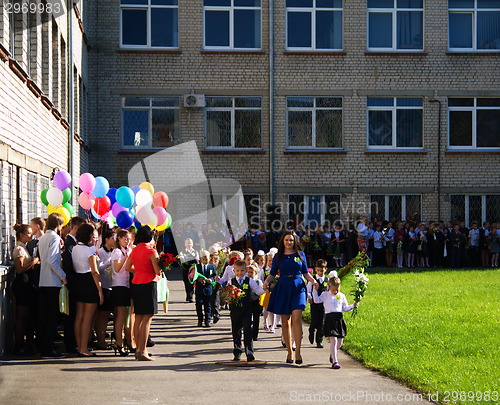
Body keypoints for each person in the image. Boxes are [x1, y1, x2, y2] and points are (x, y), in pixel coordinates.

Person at [262, 230, 318, 365]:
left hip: (298, 286)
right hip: (283, 286)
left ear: (295, 241)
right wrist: (266, 281)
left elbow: (305, 272)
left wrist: (314, 282)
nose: (289, 242)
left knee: (297, 319)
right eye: (286, 240)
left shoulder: (300, 254)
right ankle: (289, 351)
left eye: (291, 240)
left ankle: (298, 351)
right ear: (283, 241)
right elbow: (273, 273)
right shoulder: (278, 256)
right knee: (285, 320)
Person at [125, 226, 163, 361]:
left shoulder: (134, 250)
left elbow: (127, 267)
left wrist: (139, 269)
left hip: (136, 283)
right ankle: (143, 350)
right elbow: (157, 271)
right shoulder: (151, 251)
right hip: (148, 284)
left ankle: (137, 348)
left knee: (138, 317)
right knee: (147, 319)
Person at [37, 213, 67, 357]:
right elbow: (52, 261)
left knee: (44, 316)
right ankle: (47, 348)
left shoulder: (42, 238)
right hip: (52, 281)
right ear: (58, 225)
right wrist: (63, 276)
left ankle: (43, 345)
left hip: (43, 280)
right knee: (51, 317)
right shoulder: (55, 238)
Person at [312, 276, 358, 369]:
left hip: (339, 318)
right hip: (330, 318)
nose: (335, 292)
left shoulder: (341, 296)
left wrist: (353, 305)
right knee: (334, 339)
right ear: (329, 287)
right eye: (333, 290)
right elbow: (317, 300)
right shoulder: (325, 295)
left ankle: (333, 354)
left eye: (337, 289)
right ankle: (335, 361)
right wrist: (314, 291)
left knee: (340, 341)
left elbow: (344, 308)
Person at [72, 223, 103, 357]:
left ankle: (80, 346)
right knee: (87, 318)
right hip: (89, 282)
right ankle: (84, 348)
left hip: (78, 281)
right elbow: (95, 272)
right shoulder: (89, 250)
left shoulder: (75, 248)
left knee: (79, 316)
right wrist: (100, 291)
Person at [227, 260, 265, 361]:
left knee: (248, 331)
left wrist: (265, 290)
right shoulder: (231, 281)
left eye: (242, 271)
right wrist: (227, 298)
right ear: (234, 271)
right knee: (236, 332)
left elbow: (257, 290)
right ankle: (237, 352)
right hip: (235, 310)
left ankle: (249, 353)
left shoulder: (249, 281)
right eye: (238, 271)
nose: (240, 273)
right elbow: (228, 294)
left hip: (246, 309)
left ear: (246, 271)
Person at [12, 224, 39, 355]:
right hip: (22, 284)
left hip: (27, 284)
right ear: (21, 234)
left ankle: (23, 343)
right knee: (21, 315)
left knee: (26, 315)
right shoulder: (19, 249)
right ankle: (18, 344)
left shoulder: (25, 247)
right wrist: (32, 263)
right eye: (28, 233)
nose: (31, 235)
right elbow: (19, 269)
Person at [61, 216, 87, 353]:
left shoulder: (75, 243)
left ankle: (74, 342)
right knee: (71, 317)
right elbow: (68, 266)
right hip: (72, 283)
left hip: (75, 283)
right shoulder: (69, 244)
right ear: (76, 228)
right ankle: (70, 344)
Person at [111, 229, 134, 355]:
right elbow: (117, 268)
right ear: (119, 238)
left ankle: (127, 341)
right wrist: (127, 256)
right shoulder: (117, 252)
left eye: (129, 239)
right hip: (118, 285)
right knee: (120, 316)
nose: (127, 241)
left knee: (126, 316)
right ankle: (118, 342)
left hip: (126, 285)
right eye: (125, 238)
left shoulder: (126, 250)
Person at [95, 227, 115, 350]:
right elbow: (99, 269)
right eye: (113, 238)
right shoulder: (100, 252)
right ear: (107, 239)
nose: (115, 240)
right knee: (103, 315)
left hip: (114, 285)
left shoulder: (115, 251)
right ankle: (100, 340)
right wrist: (109, 262)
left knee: (111, 314)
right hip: (105, 286)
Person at [306, 259, 328, 349]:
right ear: (315, 270)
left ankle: (319, 340)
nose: (320, 273)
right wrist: (309, 297)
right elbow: (308, 290)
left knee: (321, 323)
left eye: (322, 271)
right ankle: (311, 331)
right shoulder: (313, 280)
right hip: (314, 304)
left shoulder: (327, 280)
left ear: (326, 269)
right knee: (314, 320)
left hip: (323, 304)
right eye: (318, 270)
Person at [193, 250, 217, 327]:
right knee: (198, 304)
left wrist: (211, 280)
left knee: (208, 305)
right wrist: (198, 279)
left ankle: (208, 320)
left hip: (208, 289)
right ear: (200, 259)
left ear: (209, 258)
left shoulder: (212, 267)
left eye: (206, 259)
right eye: (203, 259)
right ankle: (200, 319)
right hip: (199, 289)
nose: (205, 261)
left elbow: (214, 276)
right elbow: (193, 276)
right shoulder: (197, 267)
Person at [246, 264, 263, 341]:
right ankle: (248, 333)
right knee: (248, 318)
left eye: (251, 272)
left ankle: (255, 334)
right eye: (248, 272)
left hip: (256, 301)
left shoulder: (258, 282)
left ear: (255, 273)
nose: (249, 274)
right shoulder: (246, 281)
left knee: (256, 318)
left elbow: (261, 291)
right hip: (248, 301)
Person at [179, 238, 199, 303]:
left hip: (193, 270)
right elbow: (182, 260)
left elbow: (197, 260)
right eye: (187, 243)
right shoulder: (182, 252)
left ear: (192, 244)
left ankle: (190, 297)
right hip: (186, 270)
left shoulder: (195, 251)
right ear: (185, 244)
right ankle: (188, 295)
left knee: (192, 283)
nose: (189, 244)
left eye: (190, 243)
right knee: (186, 283)